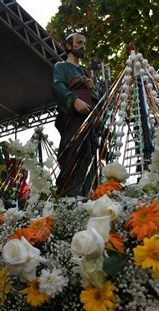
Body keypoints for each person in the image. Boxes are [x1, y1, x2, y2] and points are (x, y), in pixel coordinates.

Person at [52, 33, 98, 197]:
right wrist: (73, 101)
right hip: (72, 119)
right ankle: (71, 193)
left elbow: (95, 97)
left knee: (89, 154)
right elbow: (58, 86)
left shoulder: (85, 71)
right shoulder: (61, 67)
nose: (83, 46)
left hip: (88, 119)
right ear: (69, 46)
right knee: (73, 151)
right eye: (79, 42)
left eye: (84, 43)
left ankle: (89, 191)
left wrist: (92, 89)